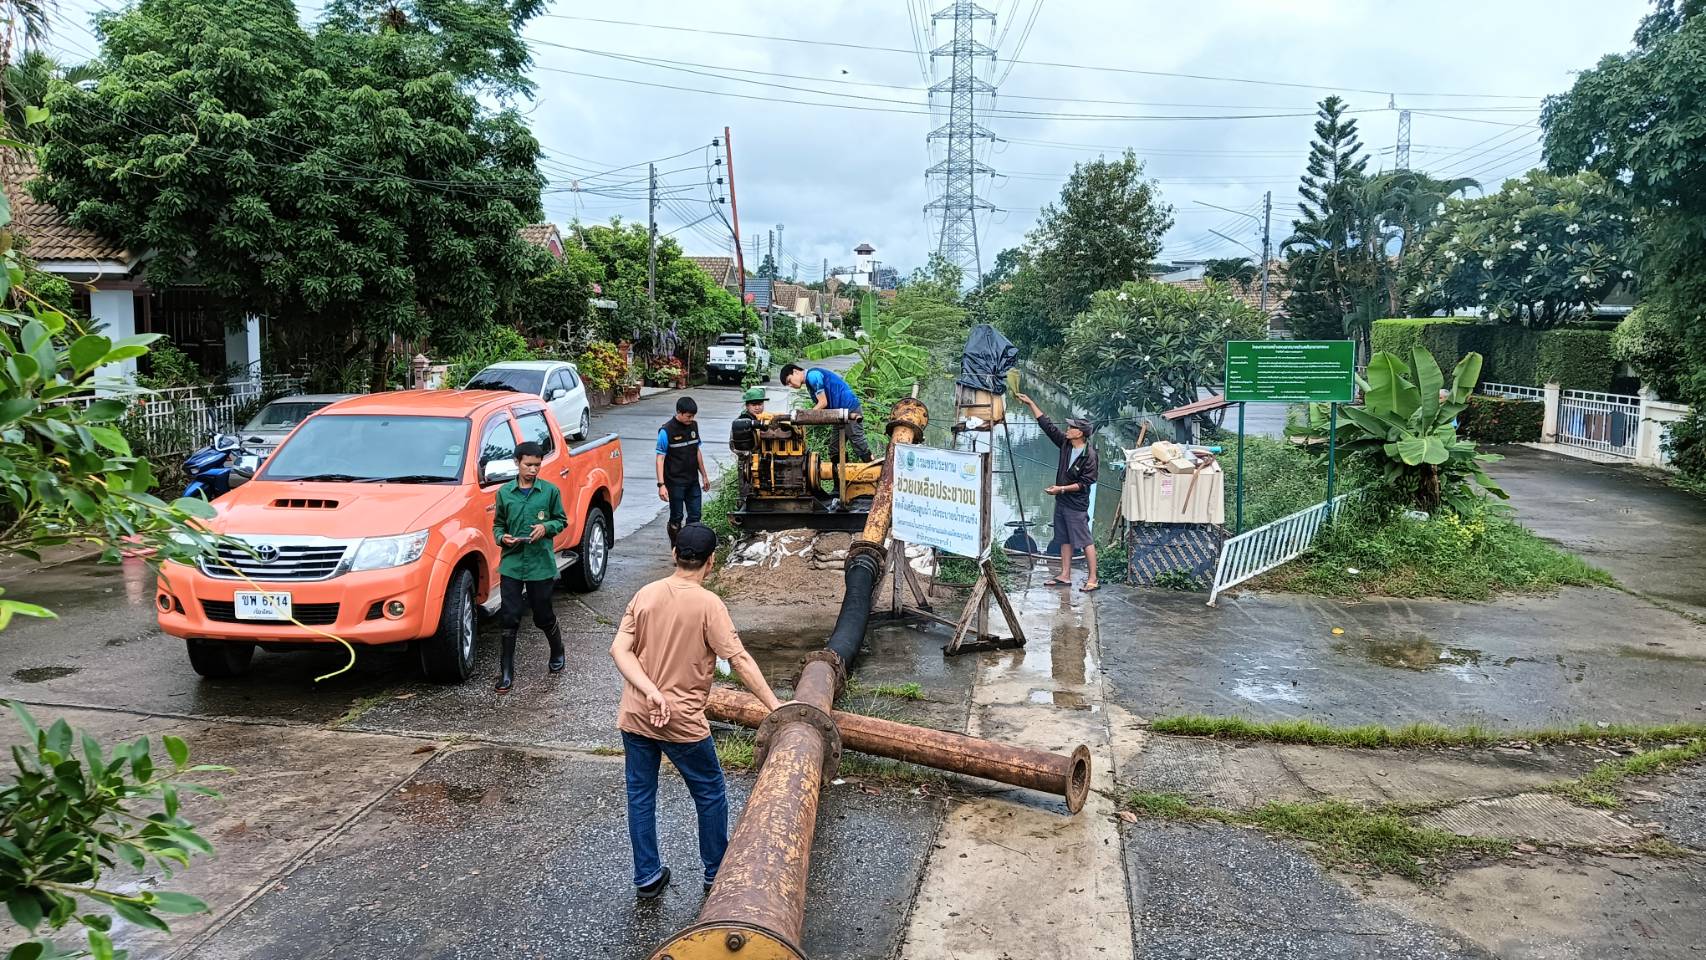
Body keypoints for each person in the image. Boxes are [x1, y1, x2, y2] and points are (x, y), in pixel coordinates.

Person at [609, 523, 783, 899]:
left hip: (637, 715)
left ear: (674, 555)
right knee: (710, 793)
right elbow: (739, 660)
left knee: (640, 795)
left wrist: (651, 692)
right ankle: (715, 873)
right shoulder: (709, 605)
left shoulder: (646, 594)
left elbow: (619, 650)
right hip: (681, 722)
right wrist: (775, 706)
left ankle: (647, 877)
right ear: (711, 562)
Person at [492, 440, 568, 693]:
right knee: (509, 617)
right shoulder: (504, 493)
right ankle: (506, 671)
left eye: (537, 465)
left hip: (540, 564)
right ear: (517, 463)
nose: (533, 470)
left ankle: (557, 650)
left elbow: (561, 520)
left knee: (542, 615)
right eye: (528, 465)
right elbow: (498, 526)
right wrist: (503, 537)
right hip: (512, 564)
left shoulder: (549, 492)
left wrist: (545, 528)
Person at [1014, 393, 1100, 592]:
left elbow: (1086, 483)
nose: (1067, 430)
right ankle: (1065, 574)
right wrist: (1031, 403)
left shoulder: (1090, 456)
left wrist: (1061, 488)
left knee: (1084, 539)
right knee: (1063, 538)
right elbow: (1048, 426)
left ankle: (1093, 577)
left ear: (1080, 433)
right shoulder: (1066, 445)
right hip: (1061, 500)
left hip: (1076, 504)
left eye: (1071, 428)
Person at [779, 362, 871, 461]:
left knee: (858, 441)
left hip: (849, 409)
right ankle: (843, 474)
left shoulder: (812, 376)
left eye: (789, 381)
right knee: (835, 450)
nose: (790, 385)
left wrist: (805, 417)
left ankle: (874, 468)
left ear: (795, 372)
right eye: (787, 384)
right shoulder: (810, 380)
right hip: (839, 414)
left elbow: (823, 403)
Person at [657, 396, 711, 546]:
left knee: (695, 516)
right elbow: (660, 458)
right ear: (679, 412)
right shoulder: (666, 431)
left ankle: (690, 547)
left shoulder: (694, 426)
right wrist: (661, 485)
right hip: (675, 482)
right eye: (688, 416)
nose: (691, 419)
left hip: (692, 480)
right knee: (676, 517)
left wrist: (704, 476)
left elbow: (697, 451)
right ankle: (676, 549)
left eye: (693, 416)